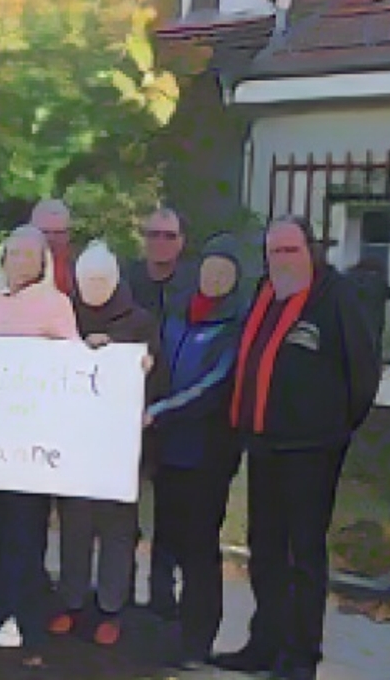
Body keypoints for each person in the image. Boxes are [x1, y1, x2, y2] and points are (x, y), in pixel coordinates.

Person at [212, 217, 381, 680]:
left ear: (311, 250)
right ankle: (264, 644)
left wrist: (336, 428)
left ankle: (301, 656)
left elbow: (363, 370)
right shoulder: (264, 295)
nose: (281, 260)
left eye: (290, 250)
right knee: (263, 548)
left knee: (302, 553)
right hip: (265, 443)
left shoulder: (336, 297)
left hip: (313, 450)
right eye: (273, 251)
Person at [0, 225, 79, 667]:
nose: (20, 262)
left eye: (29, 256)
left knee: (26, 528)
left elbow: (74, 366)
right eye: (13, 254)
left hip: (33, 440)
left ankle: (19, 614)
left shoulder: (56, 305)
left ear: (43, 262)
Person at [145, 233, 247, 669]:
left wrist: (159, 411)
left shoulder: (235, 327)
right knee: (165, 539)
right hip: (167, 452)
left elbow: (213, 389)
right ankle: (164, 628)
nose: (215, 277)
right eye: (209, 268)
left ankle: (197, 638)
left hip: (207, 455)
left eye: (225, 271)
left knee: (199, 547)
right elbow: (156, 365)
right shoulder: (177, 316)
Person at [50, 241, 159, 646]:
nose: (94, 287)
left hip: (120, 447)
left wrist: (144, 368)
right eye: (87, 280)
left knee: (116, 530)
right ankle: (71, 601)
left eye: (102, 280)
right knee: (74, 526)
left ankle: (112, 608)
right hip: (74, 443)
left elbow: (157, 374)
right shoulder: (64, 316)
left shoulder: (141, 321)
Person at [126, 206, 197, 618]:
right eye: (153, 234)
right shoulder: (128, 281)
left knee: (170, 508)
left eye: (169, 236)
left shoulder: (191, 286)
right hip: (127, 408)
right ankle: (118, 586)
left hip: (174, 410)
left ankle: (161, 590)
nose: (160, 243)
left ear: (182, 242)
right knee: (122, 505)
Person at [31, 199, 75, 296]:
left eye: (58, 233)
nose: (51, 238)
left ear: (69, 234)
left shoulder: (79, 266)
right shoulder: (17, 265)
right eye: (45, 232)